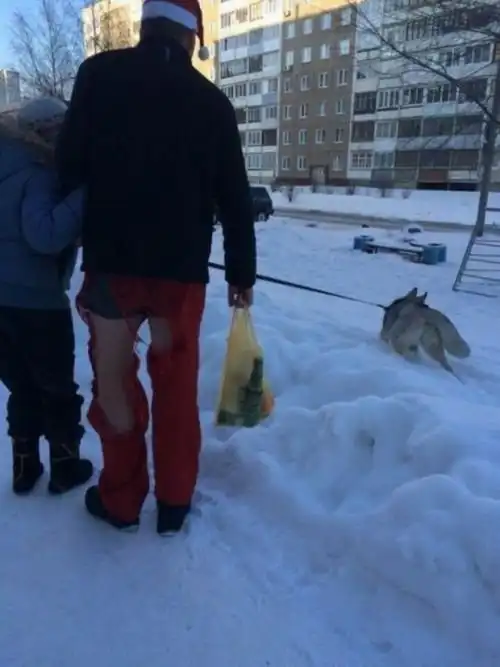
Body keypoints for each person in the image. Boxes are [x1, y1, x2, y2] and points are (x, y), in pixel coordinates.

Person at [55, 0, 257, 535]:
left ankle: (121, 501)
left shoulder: (98, 76)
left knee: (115, 383)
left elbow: (69, 164)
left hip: (113, 268)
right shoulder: (212, 104)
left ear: (145, 26)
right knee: (175, 385)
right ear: (191, 37)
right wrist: (241, 274)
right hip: (179, 275)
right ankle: (174, 502)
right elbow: (235, 199)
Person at [0, 98, 94, 495]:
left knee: (22, 387)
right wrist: (85, 195)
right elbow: (45, 235)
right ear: (43, 133)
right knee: (57, 389)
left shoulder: (6, 166)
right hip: (37, 303)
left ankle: (24, 469)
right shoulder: (37, 173)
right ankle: (65, 467)